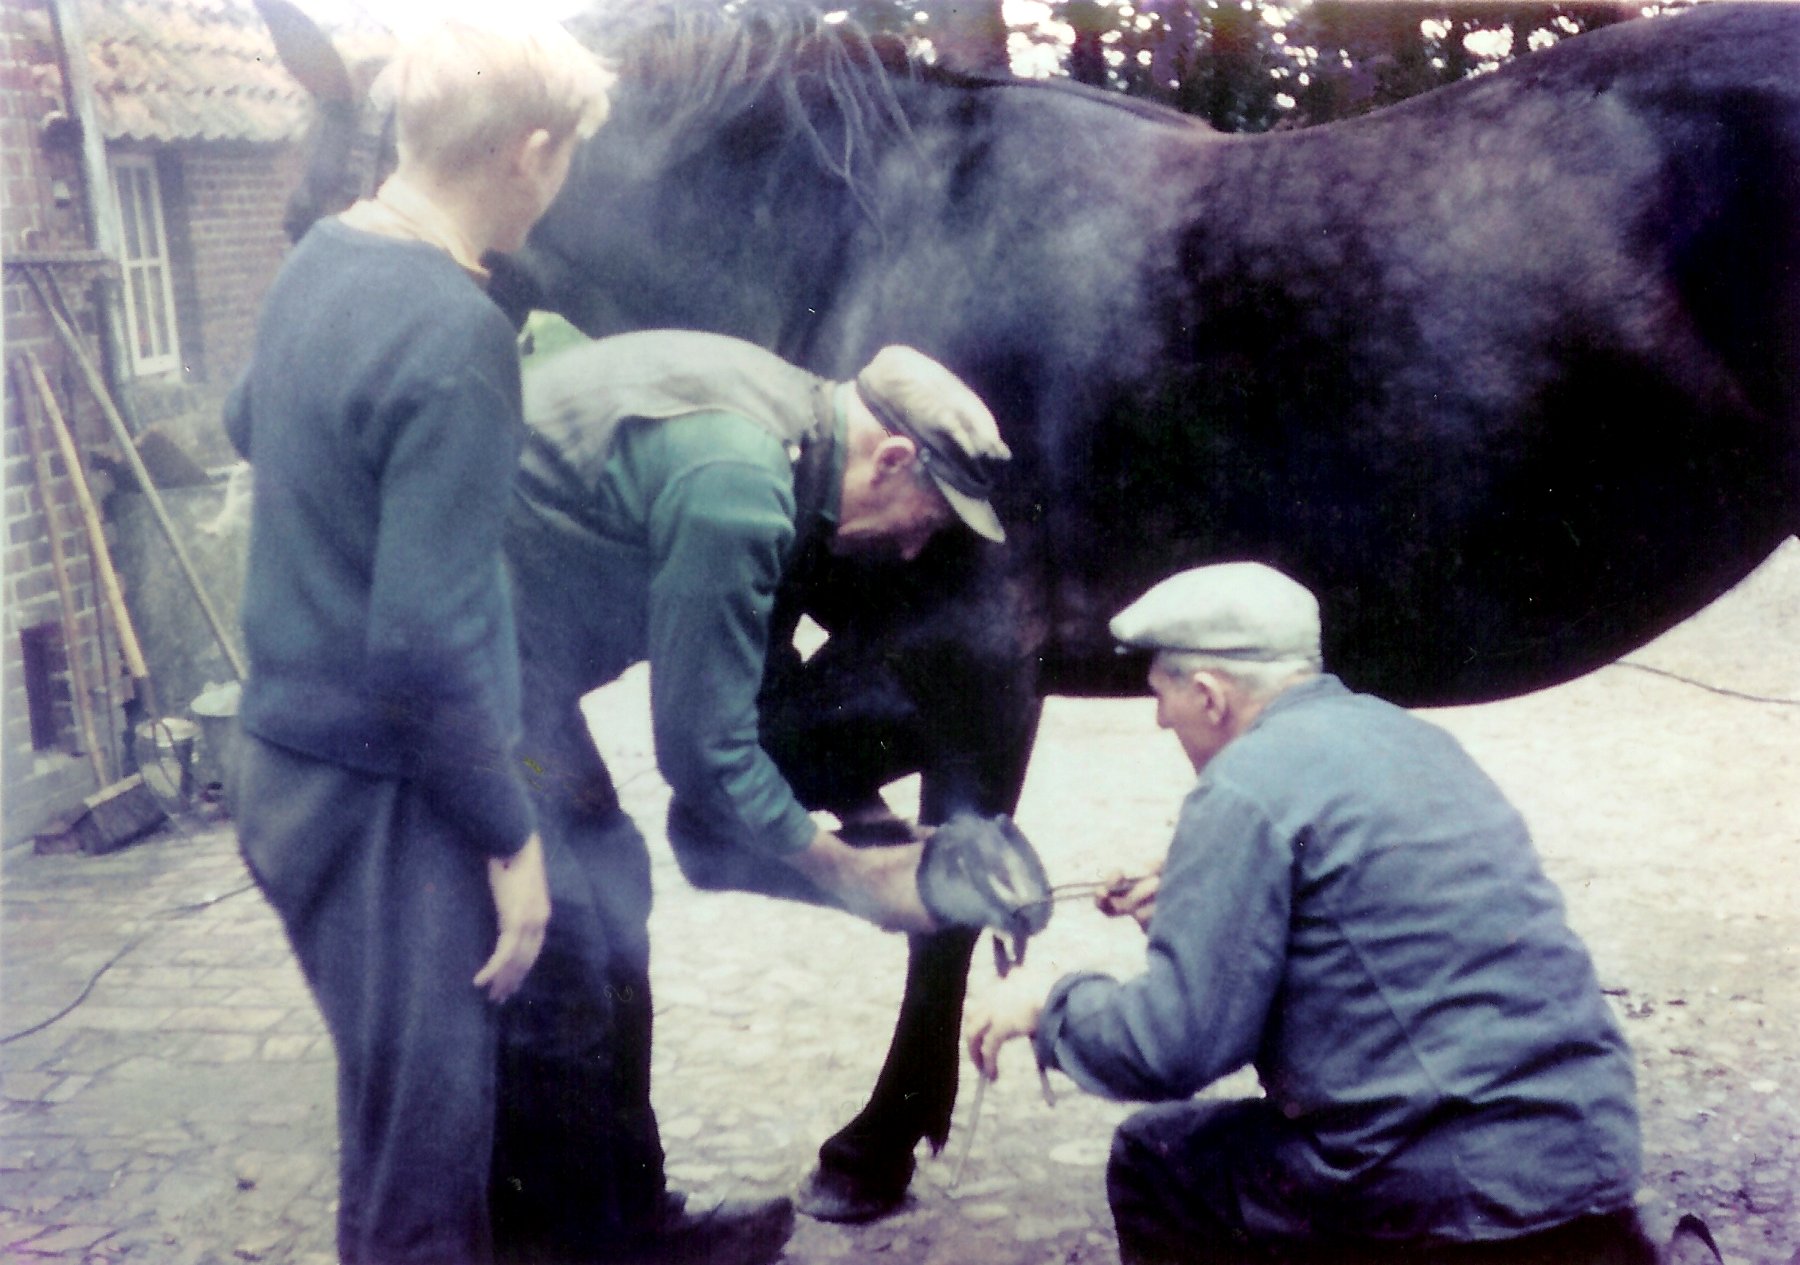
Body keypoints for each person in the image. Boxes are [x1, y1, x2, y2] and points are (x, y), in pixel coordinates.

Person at [488, 329, 1033, 1262]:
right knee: (572, 934)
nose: (912, 548)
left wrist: (874, 828)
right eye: (924, 516)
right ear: (894, 456)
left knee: (613, 883)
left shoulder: (789, 422)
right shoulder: (742, 486)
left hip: (515, 665)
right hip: (455, 670)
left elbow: (758, 668)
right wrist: (855, 878)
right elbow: (702, 753)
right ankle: (561, 1238)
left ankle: (633, 1217)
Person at [223, 17, 613, 1264]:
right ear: (532, 151)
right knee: (426, 1179)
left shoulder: (322, 259)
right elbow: (423, 646)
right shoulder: (456, 331)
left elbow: (249, 417)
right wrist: (511, 840)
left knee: (396, 1127)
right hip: (385, 801)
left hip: (287, 765)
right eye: (568, 160)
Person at [965, 561, 1653, 1265]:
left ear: (1209, 695)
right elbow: (1367, 925)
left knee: (1158, 1161)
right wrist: (1196, 905)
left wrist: (1049, 1006)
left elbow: (1173, 1046)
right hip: (1588, 1156)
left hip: (1449, 1191)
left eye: (1162, 695)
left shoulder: (1242, 785)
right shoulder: (1408, 738)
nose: (1159, 718)